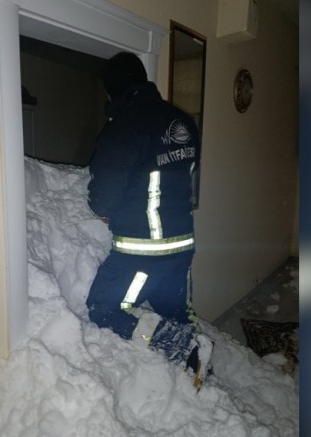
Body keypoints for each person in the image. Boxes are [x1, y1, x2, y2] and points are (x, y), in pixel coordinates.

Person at [86, 52, 211, 386]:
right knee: (176, 310)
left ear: (113, 89)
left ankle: (180, 346)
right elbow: (185, 174)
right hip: (182, 244)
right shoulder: (182, 122)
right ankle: (199, 366)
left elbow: (102, 198)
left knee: (104, 309)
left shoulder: (123, 128)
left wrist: (106, 209)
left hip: (140, 251)